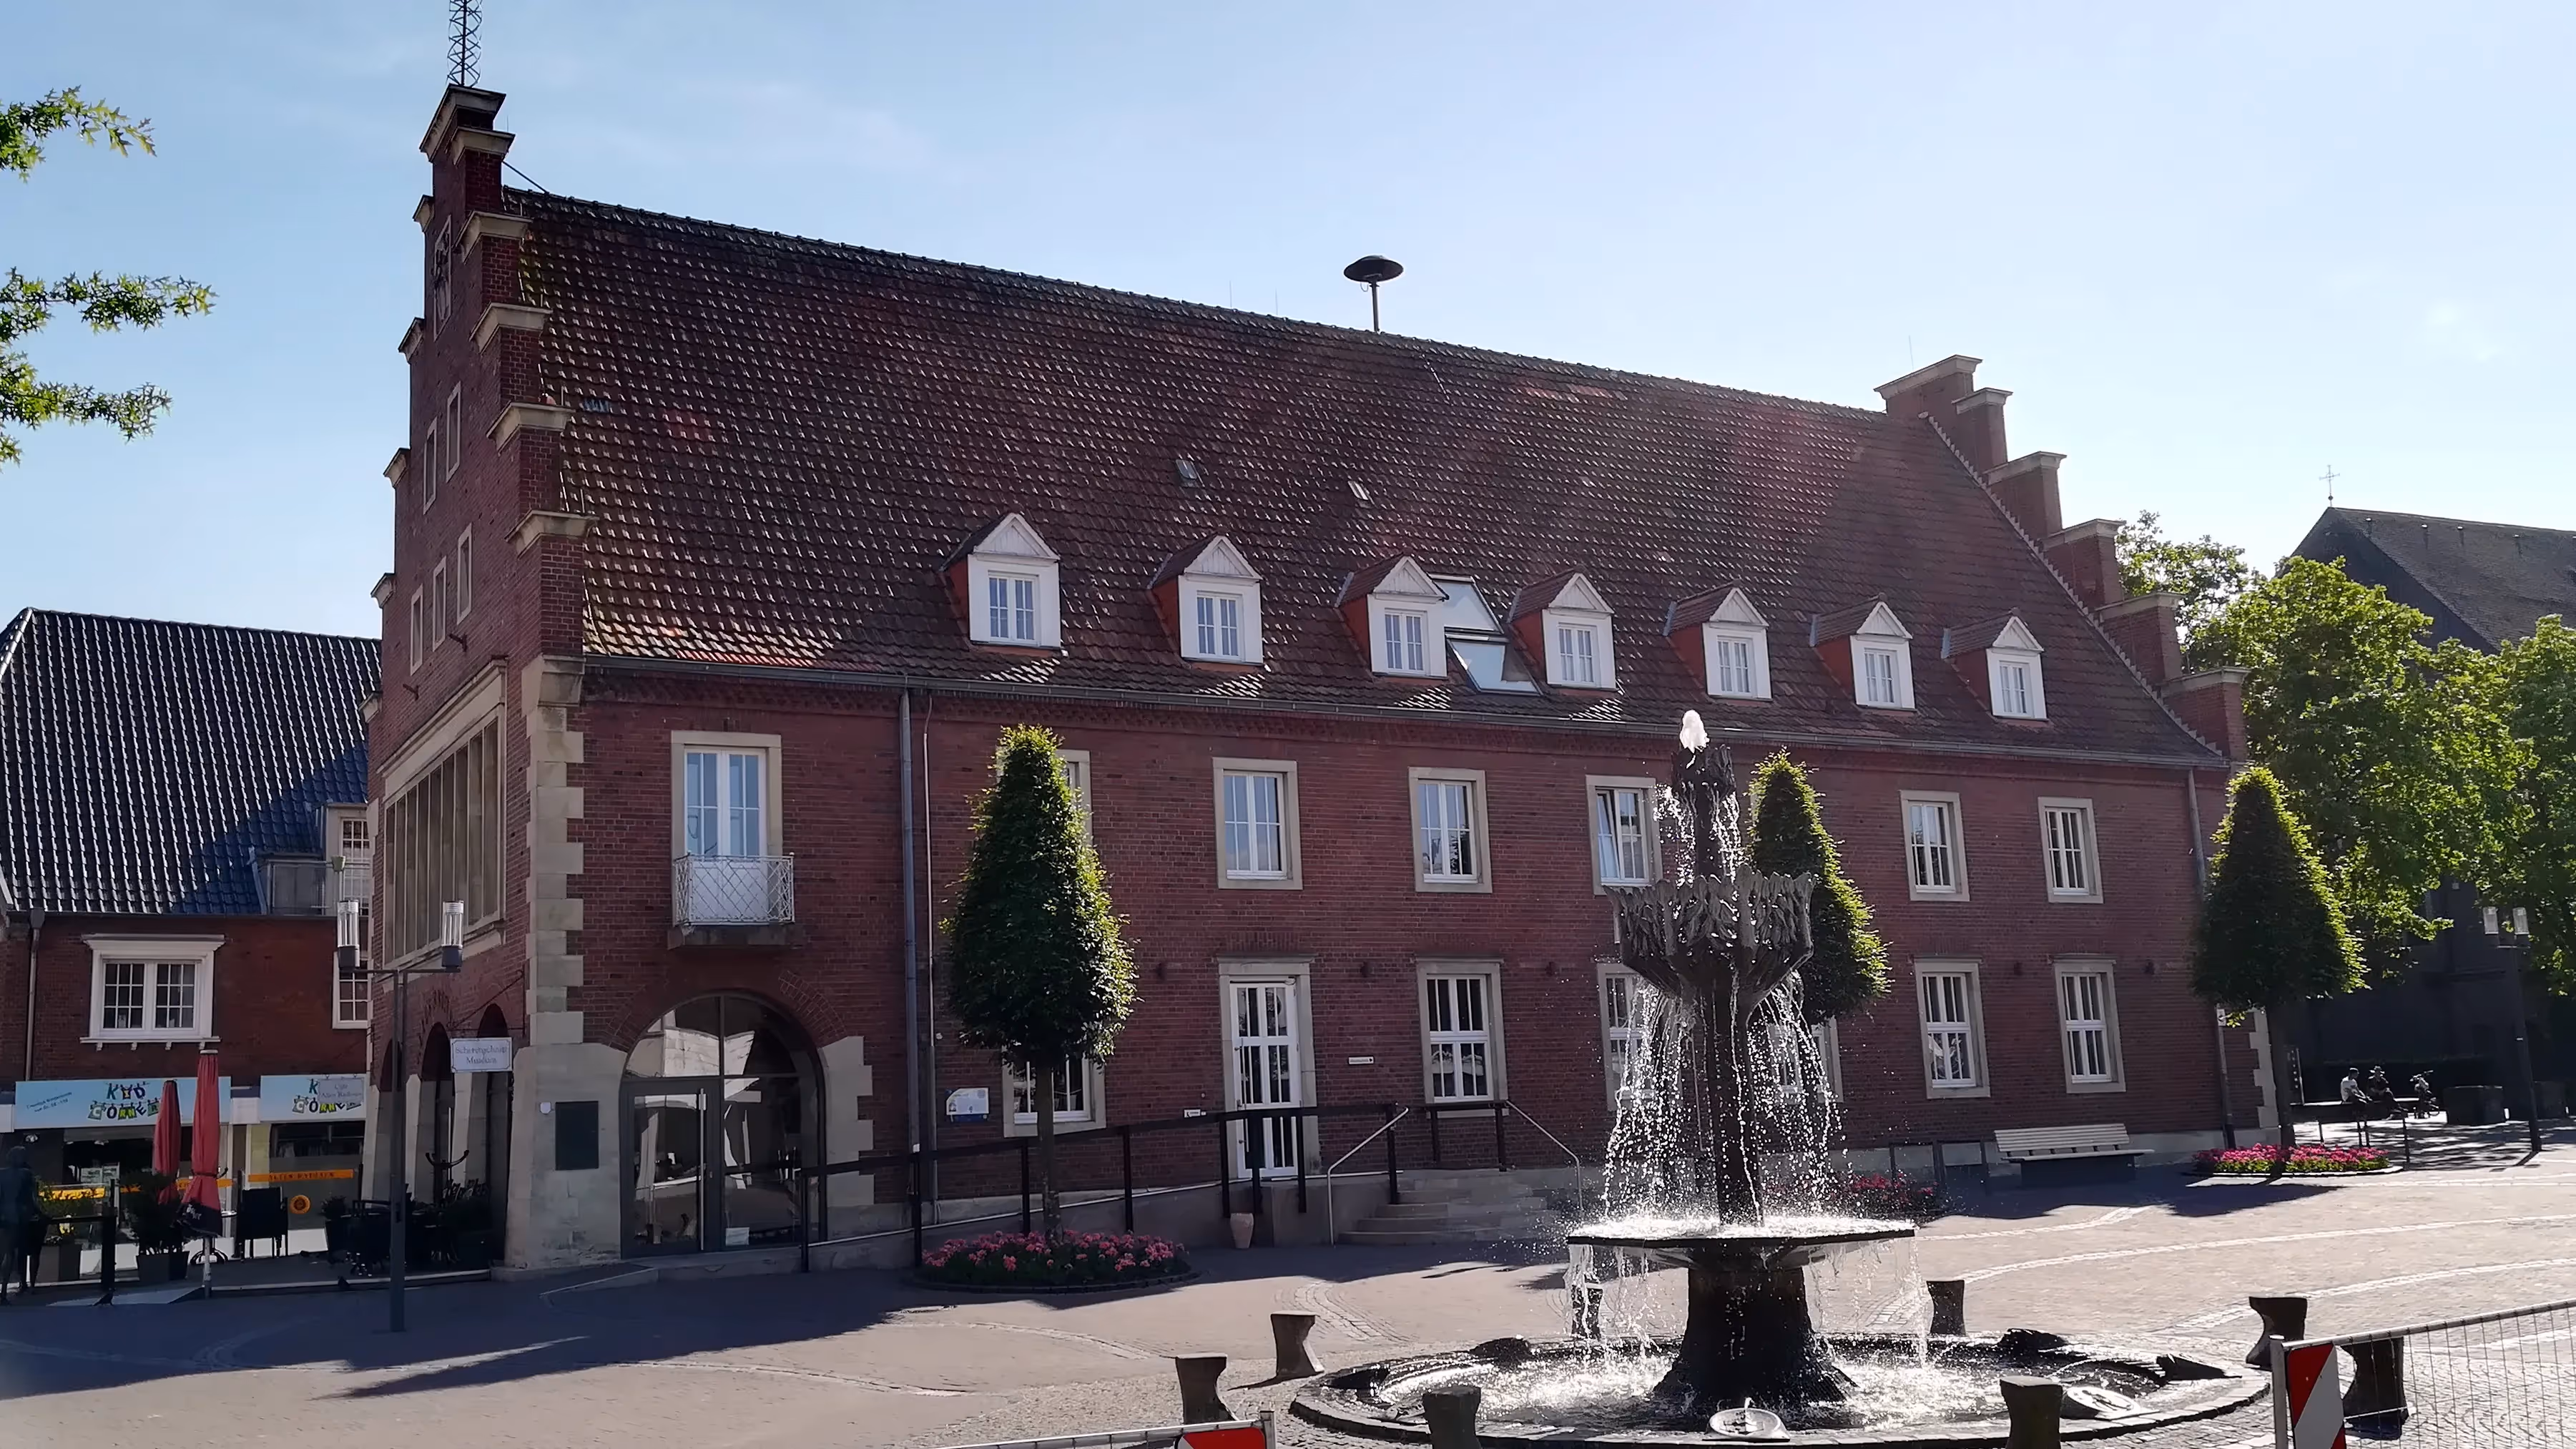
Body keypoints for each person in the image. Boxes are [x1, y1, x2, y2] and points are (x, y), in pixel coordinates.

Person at [0, 1146, 40, 1305]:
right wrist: (40, 1214)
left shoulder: (1, 1174)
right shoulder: (27, 1174)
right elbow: (32, 1199)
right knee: (11, 1255)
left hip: (3, 1216)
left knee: (4, 1254)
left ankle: (4, 1292)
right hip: (17, 1218)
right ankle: (5, 1291)